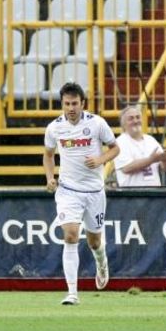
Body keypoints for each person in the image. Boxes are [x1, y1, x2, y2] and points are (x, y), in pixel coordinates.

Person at [43, 82, 120, 305]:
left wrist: (100, 159)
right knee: (70, 235)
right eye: (67, 104)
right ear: (62, 104)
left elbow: (115, 148)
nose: (71, 108)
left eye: (75, 103)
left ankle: (102, 264)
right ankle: (72, 293)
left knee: (95, 241)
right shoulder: (54, 128)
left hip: (95, 192)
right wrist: (50, 177)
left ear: (82, 103)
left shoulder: (97, 123)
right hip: (68, 190)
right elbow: (48, 155)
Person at [113, 106, 166, 187]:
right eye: (131, 118)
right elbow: (127, 168)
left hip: (154, 193)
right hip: (132, 195)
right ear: (123, 124)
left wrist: (165, 160)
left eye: (138, 117)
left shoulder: (151, 140)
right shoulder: (120, 142)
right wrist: (151, 160)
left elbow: (163, 167)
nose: (135, 121)